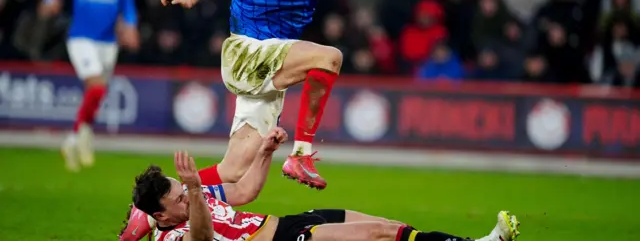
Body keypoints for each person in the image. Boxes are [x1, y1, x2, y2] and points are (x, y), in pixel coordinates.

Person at [161, 0, 339, 188]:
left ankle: (154, 205)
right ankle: (301, 154)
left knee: (234, 172)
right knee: (329, 57)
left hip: (273, 60)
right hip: (245, 51)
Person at [130, 127, 521, 241]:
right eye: (178, 196)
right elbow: (202, 238)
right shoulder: (172, 237)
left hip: (285, 224)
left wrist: (265, 152)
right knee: (379, 234)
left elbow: (245, 192)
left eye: (183, 189)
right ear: (161, 214)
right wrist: (195, 190)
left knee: (389, 225)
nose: (186, 193)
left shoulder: (194, 198)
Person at [40, 0, 140, 172]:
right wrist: (50, 0)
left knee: (96, 94)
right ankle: (75, 138)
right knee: (95, 87)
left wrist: (130, 26)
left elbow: (128, 5)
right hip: (81, 38)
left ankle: (83, 136)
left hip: (108, 42)